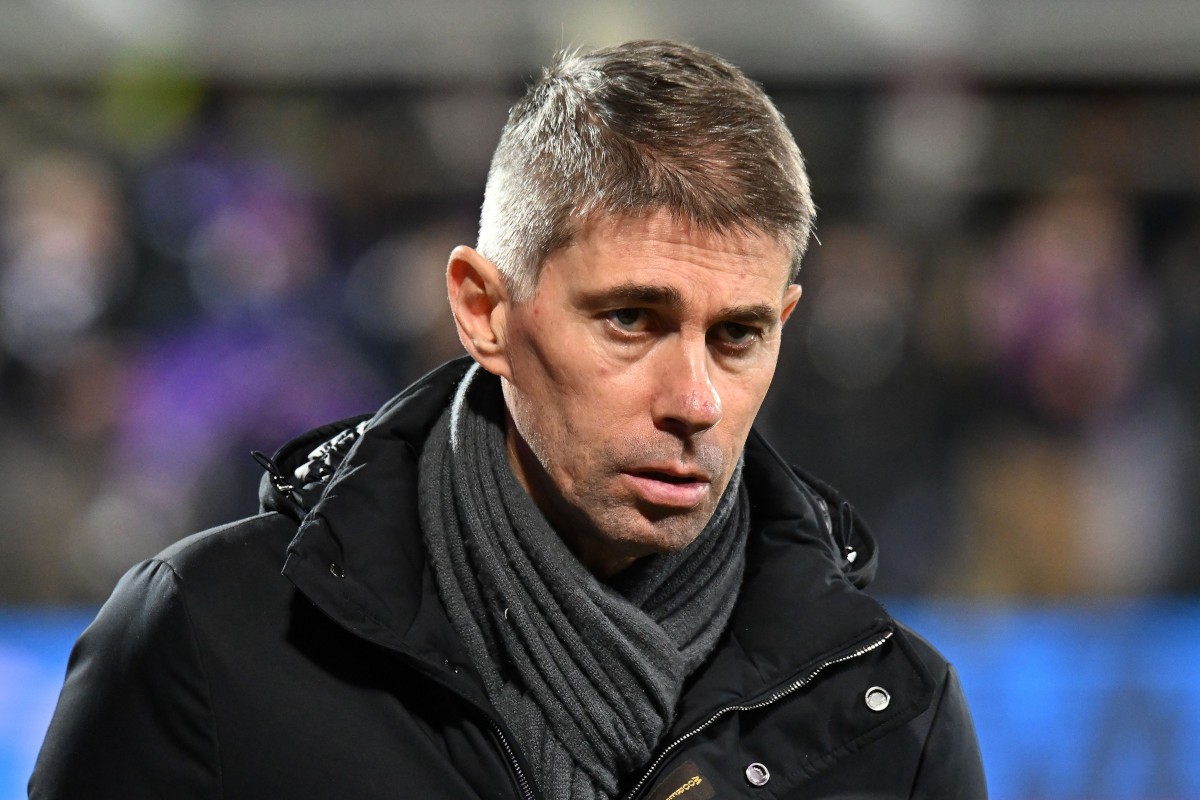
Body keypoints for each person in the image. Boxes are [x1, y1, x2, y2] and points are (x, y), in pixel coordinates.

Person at [30, 40, 986, 799]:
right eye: (630, 320)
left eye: (737, 336)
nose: (695, 402)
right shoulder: (207, 644)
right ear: (483, 309)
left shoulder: (891, 717)